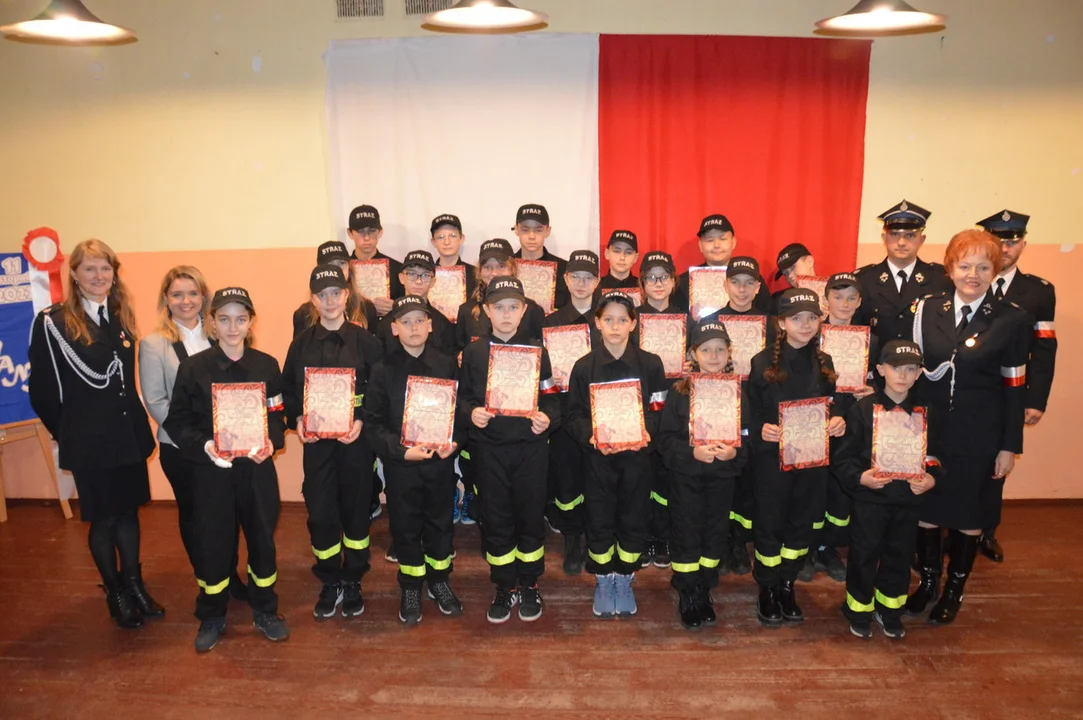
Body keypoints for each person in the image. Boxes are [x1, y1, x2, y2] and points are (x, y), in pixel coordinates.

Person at [29, 239, 161, 630]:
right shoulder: (53, 323)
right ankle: (115, 591)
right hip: (89, 441)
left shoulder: (120, 315)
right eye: (89, 268)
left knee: (129, 513)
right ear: (74, 274)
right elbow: (43, 393)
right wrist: (69, 433)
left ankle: (135, 584)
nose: (99, 276)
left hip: (127, 435)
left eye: (105, 268)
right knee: (103, 519)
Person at [905, 229, 1029, 625]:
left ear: (995, 270)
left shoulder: (1011, 318)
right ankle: (928, 583)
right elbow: (912, 372)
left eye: (983, 267)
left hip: (981, 435)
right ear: (950, 268)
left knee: (970, 513)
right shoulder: (927, 309)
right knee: (926, 508)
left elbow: (1015, 386)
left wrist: (1009, 445)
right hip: (931, 431)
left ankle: (953, 590)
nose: (973, 275)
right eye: (965, 266)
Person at [163, 287, 289, 652]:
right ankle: (212, 614)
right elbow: (177, 421)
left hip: (257, 471)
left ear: (251, 323)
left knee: (262, 541)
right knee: (213, 543)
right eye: (224, 319)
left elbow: (277, 414)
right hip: (212, 473)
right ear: (212, 323)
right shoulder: (193, 368)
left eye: (240, 319)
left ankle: (265, 610)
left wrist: (272, 442)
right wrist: (204, 446)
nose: (233, 327)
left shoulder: (267, 365)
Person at [139, 266, 247, 599]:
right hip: (181, 448)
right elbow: (156, 401)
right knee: (194, 514)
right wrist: (195, 440)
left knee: (227, 513)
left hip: (226, 446)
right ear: (166, 299)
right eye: (177, 294)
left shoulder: (221, 335)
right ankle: (207, 580)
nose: (185, 301)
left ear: (204, 297)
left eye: (192, 293)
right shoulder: (154, 344)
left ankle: (229, 575)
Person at [282, 265, 383, 621]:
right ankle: (330, 580)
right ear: (313, 299)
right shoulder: (300, 345)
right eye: (321, 295)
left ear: (346, 296)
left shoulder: (366, 341)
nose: (329, 301)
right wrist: (297, 420)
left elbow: (379, 391)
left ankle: (353, 579)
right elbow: (288, 392)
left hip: (356, 442)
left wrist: (362, 420)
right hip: (318, 447)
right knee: (322, 513)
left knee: (355, 511)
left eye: (335, 294)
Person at [458, 277, 560, 624]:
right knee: (496, 517)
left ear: (524, 310)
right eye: (498, 307)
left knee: (530, 516)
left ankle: (529, 583)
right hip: (490, 450)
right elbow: (462, 398)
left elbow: (552, 399)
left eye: (513, 307)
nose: (505, 314)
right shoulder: (474, 353)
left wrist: (547, 418)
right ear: (486, 311)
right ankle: (504, 585)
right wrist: (472, 412)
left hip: (531, 450)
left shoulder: (537, 351)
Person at [567, 291, 669, 619]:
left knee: (633, 517)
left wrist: (646, 433)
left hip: (637, 458)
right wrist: (591, 436)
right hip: (598, 458)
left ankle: (624, 578)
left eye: (622, 320)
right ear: (597, 322)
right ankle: (602, 578)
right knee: (598, 518)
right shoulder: (583, 367)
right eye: (608, 319)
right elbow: (573, 414)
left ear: (633, 324)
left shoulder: (651, 364)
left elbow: (660, 409)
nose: (615, 326)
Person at [747, 289, 845, 627]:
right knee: (770, 523)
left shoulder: (826, 361)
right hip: (772, 461)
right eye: (797, 318)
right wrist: (760, 428)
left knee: (801, 523)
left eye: (812, 317)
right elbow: (749, 411)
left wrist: (838, 420)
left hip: (812, 461)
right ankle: (767, 586)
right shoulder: (762, 362)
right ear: (782, 323)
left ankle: (787, 583)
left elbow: (834, 403)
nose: (805, 324)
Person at [363, 296, 463, 625]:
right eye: (405, 322)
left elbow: (459, 412)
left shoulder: (447, 364)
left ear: (431, 325)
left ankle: (439, 580)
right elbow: (373, 424)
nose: (414, 327)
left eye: (420, 320)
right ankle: (410, 586)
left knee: (440, 524)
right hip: (401, 465)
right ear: (394, 328)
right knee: (405, 527)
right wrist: (401, 450)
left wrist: (454, 442)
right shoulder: (382, 370)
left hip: (439, 463)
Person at [835, 340, 940, 640]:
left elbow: (935, 455)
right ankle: (858, 610)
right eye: (896, 368)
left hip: (907, 501)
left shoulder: (924, 412)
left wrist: (932, 478)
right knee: (863, 555)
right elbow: (843, 458)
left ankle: (890, 611)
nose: (903, 375)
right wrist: (860, 478)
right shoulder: (862, 409)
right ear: (881, 370)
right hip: (870, 500)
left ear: (919, 374)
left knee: (899, 556)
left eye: (911, 369)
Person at [975, 209, 1057, 563]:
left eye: (1011, 242)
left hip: (1008, 392)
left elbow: (1044, 347)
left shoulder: (1038, 291)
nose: (1004, 249)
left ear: (1023, 244)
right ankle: (953, 528)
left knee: (997, 465)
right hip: (966, 389)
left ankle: (986, 531)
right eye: (997, 242)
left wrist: (1036, 398)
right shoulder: (966, 281)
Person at [659, 321, 745, 630]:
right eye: (706, 350)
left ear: (729, 353)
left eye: (720, 349)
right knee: (687, 533)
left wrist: (734, 453)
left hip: (722, 479)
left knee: (715, 533)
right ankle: (687, 590)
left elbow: (747, 436)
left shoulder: (739, 392)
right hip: (687, 479)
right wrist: (691, 452)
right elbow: (665, 439)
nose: (714, 356)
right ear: (693, 354)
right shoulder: (679, 392)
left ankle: (704, 587)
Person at [802, 272, 879, 584]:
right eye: (837, 297)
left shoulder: (871, 340)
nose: (844, 304)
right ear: (826, 300)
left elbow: (881, 378)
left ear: (859, 302)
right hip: (817, 421)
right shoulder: (810, 335)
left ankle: (828, 547)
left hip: (853, 423)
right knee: (812, 488)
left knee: (840, 490)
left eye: (851, 298)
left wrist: (874, 390)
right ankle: (806, 547)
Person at [709, 257, 775, 575]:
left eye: (749, 283)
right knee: (721, 479)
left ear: (758, 287)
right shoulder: (710, 322)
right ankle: (719, 541)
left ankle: (739, 542)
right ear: (725, 285)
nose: (742, 289)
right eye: (735, 282)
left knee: (748, 480)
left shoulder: (772, 325)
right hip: (718, 410)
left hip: (757, 411)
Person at [542, 250, 603, 574]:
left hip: (600, 415)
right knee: (567, 480)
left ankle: (596, 538)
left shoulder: (607, 321)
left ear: (597, 281)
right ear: (565, 279)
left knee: (597, 479)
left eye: (588, 277)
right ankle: (571, 540)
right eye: (575, 276)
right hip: (564, 416)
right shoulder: (550, 323)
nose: (581, 283)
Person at [635, 251, 683, 569]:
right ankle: (642, 536)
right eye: (650, 277)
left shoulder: (686, 320)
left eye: (663, 276)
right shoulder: (631, 319)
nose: (657, 283)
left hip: (675, 408)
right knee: (641, 475)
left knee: (667, 476)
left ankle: (663, 536)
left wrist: (691, 364)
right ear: (641, 284)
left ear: (673, 281)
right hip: (640, 408)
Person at [856, 200, 952, 343]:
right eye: (894, 234)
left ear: (922, 239)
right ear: (884, 238)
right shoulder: (864, 280)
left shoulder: (940, 279)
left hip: (922, 357)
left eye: (910, 235)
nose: (901, 242)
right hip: (877, 357)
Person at [455, 238, 545, 351]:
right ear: (480, 271)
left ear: (513, 269)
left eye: (501, 266)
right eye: (487, 267)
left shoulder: (532, 310)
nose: (494, 273)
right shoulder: (466, 310)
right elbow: (458, 349)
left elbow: (540, 350)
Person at [674, 214, 770, 314]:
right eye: (710, 240)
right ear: (700, 246)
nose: (717, 245)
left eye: (723, 239)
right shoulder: (684, 282)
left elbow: (765, 317)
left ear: (733, 242)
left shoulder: (752, 279)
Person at [374, 250, 455, 355]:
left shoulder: (443, 325)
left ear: (432, 281)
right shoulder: (386, 323)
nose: (418, 281)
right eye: (412, 274)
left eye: (425, 275)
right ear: (401, 278)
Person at [292, 241, 377, 338]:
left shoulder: (366, 308)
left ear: (349, 267)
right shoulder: (304, 314)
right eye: (330, 264)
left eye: (342, 263)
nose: (338, 269)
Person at [512, 203, 569, 310]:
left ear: (548, 231)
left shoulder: (564, 269)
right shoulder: (506, 267)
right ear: (516, 229)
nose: (531, 236)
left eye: (538, 230)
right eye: (525, 229)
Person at [348, 204, 403, 315]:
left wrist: (397, 307)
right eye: (360, 231)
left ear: (380, 232)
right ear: (350, 233)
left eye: (372, 231)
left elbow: (411, 306)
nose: (367, 237)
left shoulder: (398, 269)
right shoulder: (341, 269)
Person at [430, 213, 477, 291]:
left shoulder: (475, 274)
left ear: (461, 238)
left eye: (452, 236)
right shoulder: (427, 274)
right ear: (434, 242)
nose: (447, 242)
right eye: (440, 237)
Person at [768, 243, 816, 315]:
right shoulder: (779, 300)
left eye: (793, 267)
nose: (790, 275)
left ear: (809, 262)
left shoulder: (830, 292)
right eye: (785, 273)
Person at [594, 230, 640, 301]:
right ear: (607, 253)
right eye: (617, 251)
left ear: (635, 258)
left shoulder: (643, 288)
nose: (622, 257)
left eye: (628, 252)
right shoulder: (595, 287)